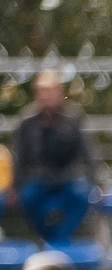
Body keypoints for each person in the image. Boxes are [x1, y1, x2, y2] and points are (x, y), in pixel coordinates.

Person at [11, 72, 100, 248]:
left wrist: (99, 180)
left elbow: (88, 151)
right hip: (38, 177)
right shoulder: (27, 120)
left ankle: (58, 241)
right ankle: (49, 239)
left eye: (50, 91)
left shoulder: (74, 117)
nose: (47, 96)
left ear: (60, 92)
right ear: (36, 94)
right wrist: (15, 186)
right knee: (28, 197)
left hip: (69, 176)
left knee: (82, 195)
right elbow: (19, 155)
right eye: (43, 91)